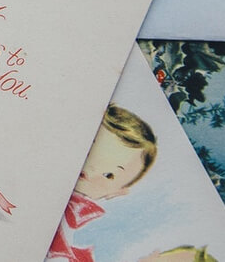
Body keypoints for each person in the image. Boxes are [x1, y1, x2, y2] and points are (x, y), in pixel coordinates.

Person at [49, 103, 158, 262]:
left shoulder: (85, 222)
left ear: (118, 192)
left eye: (109, 175)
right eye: (90, 152)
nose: (91, 169)